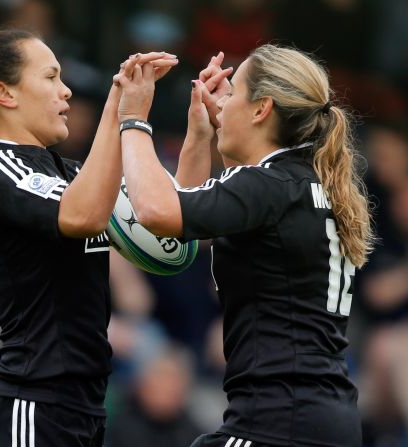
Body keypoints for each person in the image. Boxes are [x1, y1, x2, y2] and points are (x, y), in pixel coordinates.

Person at [0, 8, 177, 447]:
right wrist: (120, 109)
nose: (67, 91)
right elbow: (82, 216)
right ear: (4, 93)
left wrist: (202, 130)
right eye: (51, 77)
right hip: (29, 406)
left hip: (81, 407)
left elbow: (170, 216)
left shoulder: (68, 171)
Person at [114, 44, 375, 446]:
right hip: (322, 420)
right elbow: (185, 216)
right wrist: (202, 133)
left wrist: (132, 118)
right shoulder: (303, 183)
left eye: (232, 92)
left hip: (279, 422)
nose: (221, 102)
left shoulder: (266, 186)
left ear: (261, 109)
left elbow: (155, 210)